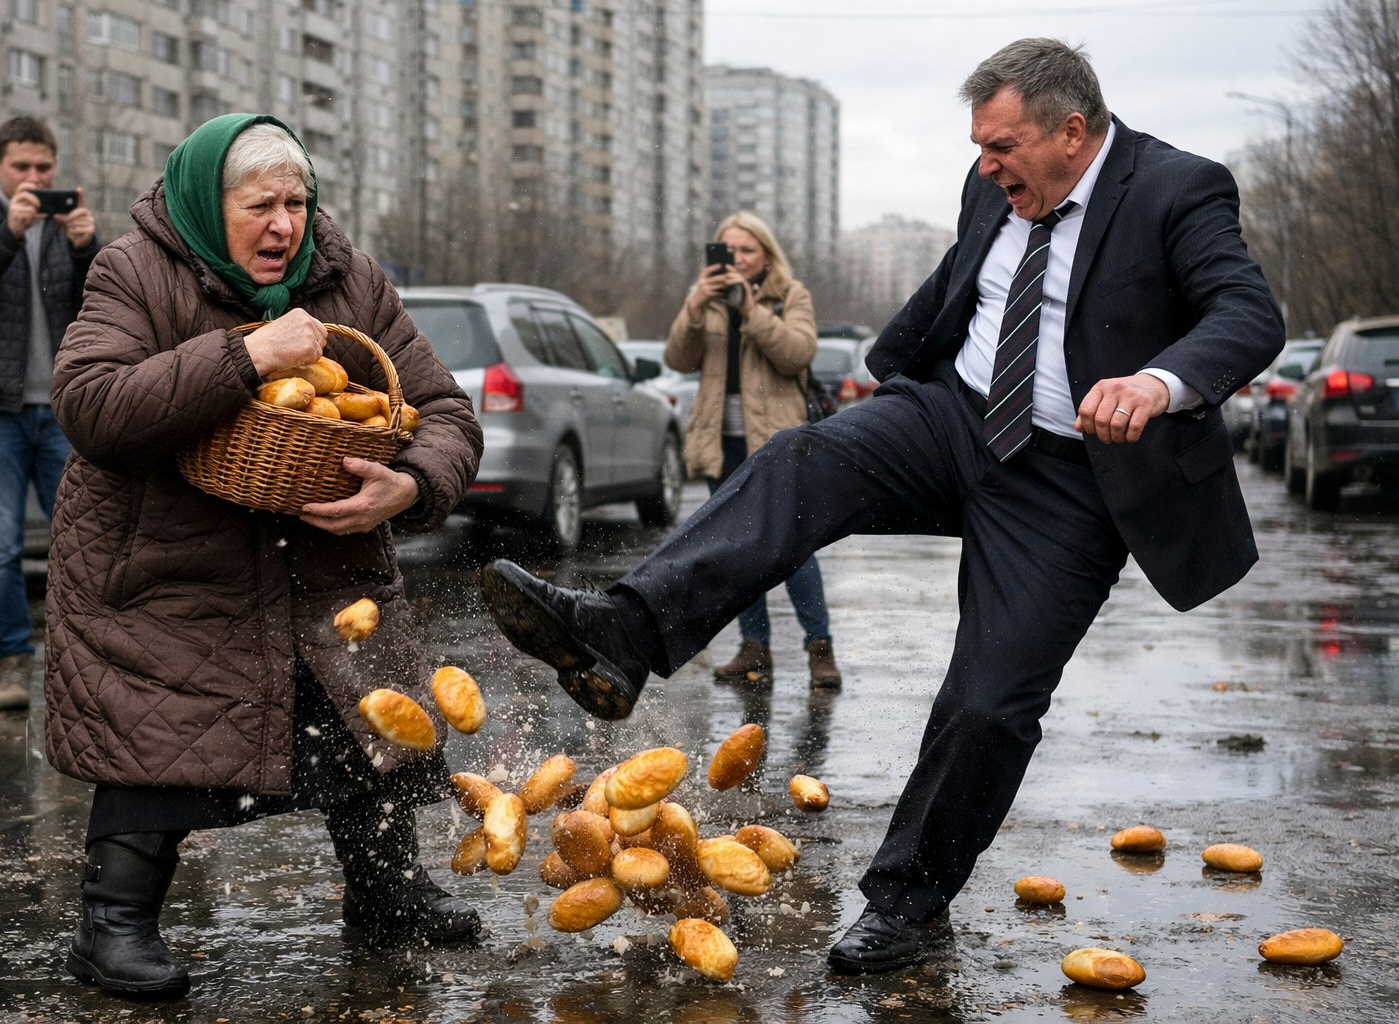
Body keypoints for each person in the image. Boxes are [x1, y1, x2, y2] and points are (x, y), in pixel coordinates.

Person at [479, 38, 1284, 975]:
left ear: (1073, 132)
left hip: (1069, 479)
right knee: (802, 457)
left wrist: (1157, 382)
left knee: (989, 704)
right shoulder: (993, 185)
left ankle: (907, 902)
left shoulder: (1178, 189)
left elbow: (1246, 313)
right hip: (955, 419)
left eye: (1004, 147)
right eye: (979, 147)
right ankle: (625, 633)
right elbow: (965, 284)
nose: (987, 166)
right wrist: (892, 371)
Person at [43, 114, 484, 997]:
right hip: (167, 564)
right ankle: (112, 924)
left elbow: (444, 411)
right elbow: (90, 405)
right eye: (260, 206)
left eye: (298, 202)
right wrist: (244, 354)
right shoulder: (135, 270)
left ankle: (387, 891)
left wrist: (410, 485)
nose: (285, 224)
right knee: (159, 728)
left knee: (364, 719)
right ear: (209, 205)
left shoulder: (350, 279)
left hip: (324, 563)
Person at [0, 116, 100, 712]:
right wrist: (8, 232)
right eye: (21, 166)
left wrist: (87, 248)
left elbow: (101, 303)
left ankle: (83, 663)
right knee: (0, 548)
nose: (33, 177)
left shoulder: (62, 226)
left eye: (43, 167)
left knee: (83, 542)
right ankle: (10, 664)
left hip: (61, 409)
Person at [667, 211, 842, 688]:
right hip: (720, 441)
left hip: (776, 442)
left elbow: (797, 353)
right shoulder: (706, 299)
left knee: (794, 546)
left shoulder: (789, 295)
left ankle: (820, 648)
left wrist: (750, 310)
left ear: (766, 254)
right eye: (730, 250)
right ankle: (754, 648)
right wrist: (695, 304)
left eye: (747, 250)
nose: (738, 259)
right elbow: (678, 358)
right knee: (737, 551)